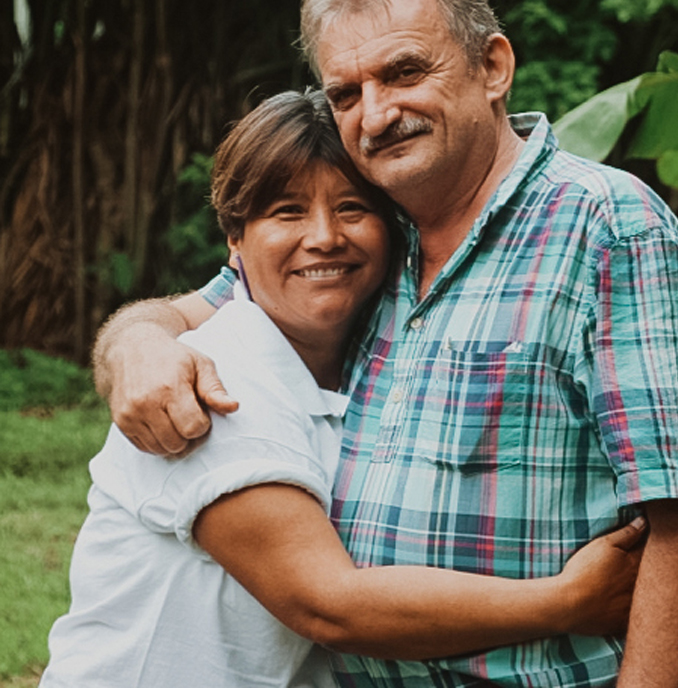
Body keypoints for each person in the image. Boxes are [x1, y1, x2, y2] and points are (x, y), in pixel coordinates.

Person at [94, 0, 678, 688]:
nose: (377, 113)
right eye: (346, 93)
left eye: (404, 73)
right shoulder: (367, 241)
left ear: (492, 67)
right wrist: (137, 345)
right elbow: (186, 312)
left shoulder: (605, 227)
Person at [41, 89, 645, 688]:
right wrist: (568, 601)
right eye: (287, 212)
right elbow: (330, 604)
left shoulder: (376, 352)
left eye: (353, 208)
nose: (325, 236)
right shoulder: (211, 383)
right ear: (235, 240)